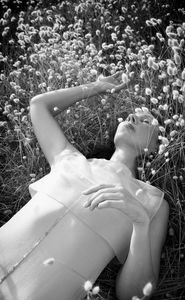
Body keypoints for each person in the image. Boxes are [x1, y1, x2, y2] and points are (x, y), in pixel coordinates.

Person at [0, 71, 169, 300]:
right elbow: (39, 105)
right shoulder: (70, 158)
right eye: (131, 115)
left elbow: (134, 295)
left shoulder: (152, 202)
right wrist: (97, 86)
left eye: (146, 121)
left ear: (157, 146)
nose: (132, 118)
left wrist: (141, 222)